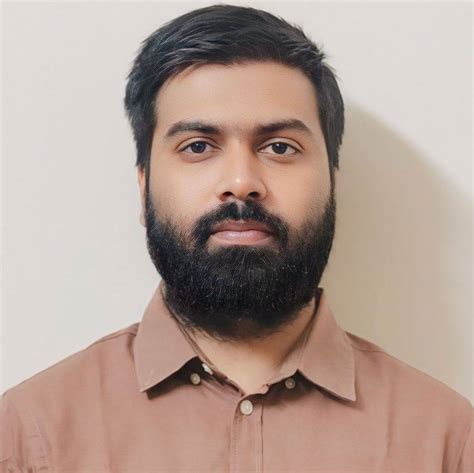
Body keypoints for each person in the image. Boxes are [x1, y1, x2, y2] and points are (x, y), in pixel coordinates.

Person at [1, 4, 472, 472]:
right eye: (198, 146)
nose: (242, 182)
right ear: (144, 187)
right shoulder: (29, 436)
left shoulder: (448, 441)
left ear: (333, 182)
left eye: (280, 147)